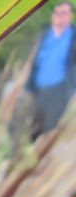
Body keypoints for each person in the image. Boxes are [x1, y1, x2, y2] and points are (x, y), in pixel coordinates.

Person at [26, 1, 76, 139]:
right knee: (33, 129)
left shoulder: (73, 37)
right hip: (38, 91)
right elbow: (33, 61)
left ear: (71, 15)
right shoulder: (44, 35)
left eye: (64, 13)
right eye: (57, 13)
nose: (60, 16)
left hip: (59, 91)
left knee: (51, 131)